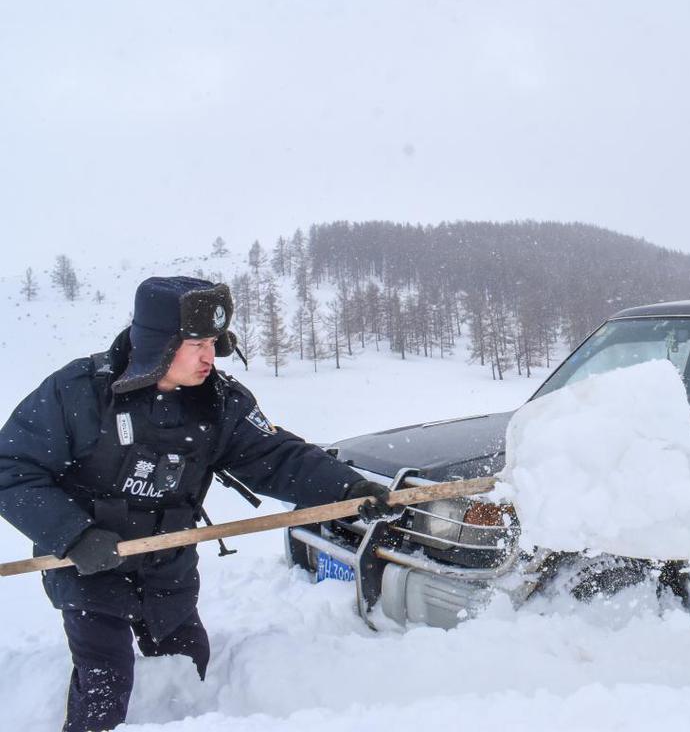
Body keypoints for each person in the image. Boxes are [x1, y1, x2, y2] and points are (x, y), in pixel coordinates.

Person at [0, 276, 397, 732]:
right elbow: (11, 468)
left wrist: (348, 490)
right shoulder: (79, 392)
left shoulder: (219, 402)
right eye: (196, 344)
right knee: (105, 682)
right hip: (90, 566)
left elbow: (275, 455)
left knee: (188, 672)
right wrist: (74, 535)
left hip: (167, 563)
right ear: (159, 343)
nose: (209, 356)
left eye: (213, 342)